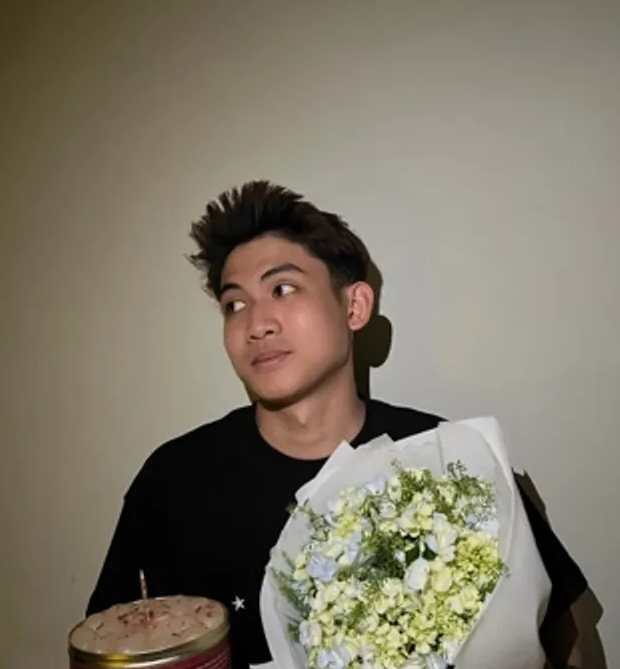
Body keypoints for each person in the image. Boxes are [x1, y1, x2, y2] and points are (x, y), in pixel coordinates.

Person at [86, 180, 590, 668]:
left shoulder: (445, 459)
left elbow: (565, 640)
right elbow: (109, 646)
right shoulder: (174, 481)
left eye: (283, 289)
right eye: (234, 304)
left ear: (354, 306)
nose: (256, 324)